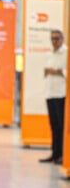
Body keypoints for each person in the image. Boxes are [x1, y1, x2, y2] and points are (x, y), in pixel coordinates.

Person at [39, 29, 67, 165]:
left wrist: (57, 71)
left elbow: (66, 72)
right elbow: (46, 71)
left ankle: (62, 154)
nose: (54, 41)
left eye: (57, 38)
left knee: (61, 126)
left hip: (61, 94)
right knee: (54, 126)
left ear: (62, 39)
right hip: (50, 94)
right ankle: (55, 154)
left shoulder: (66, 53)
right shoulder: (49, 54)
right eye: (52, 39)